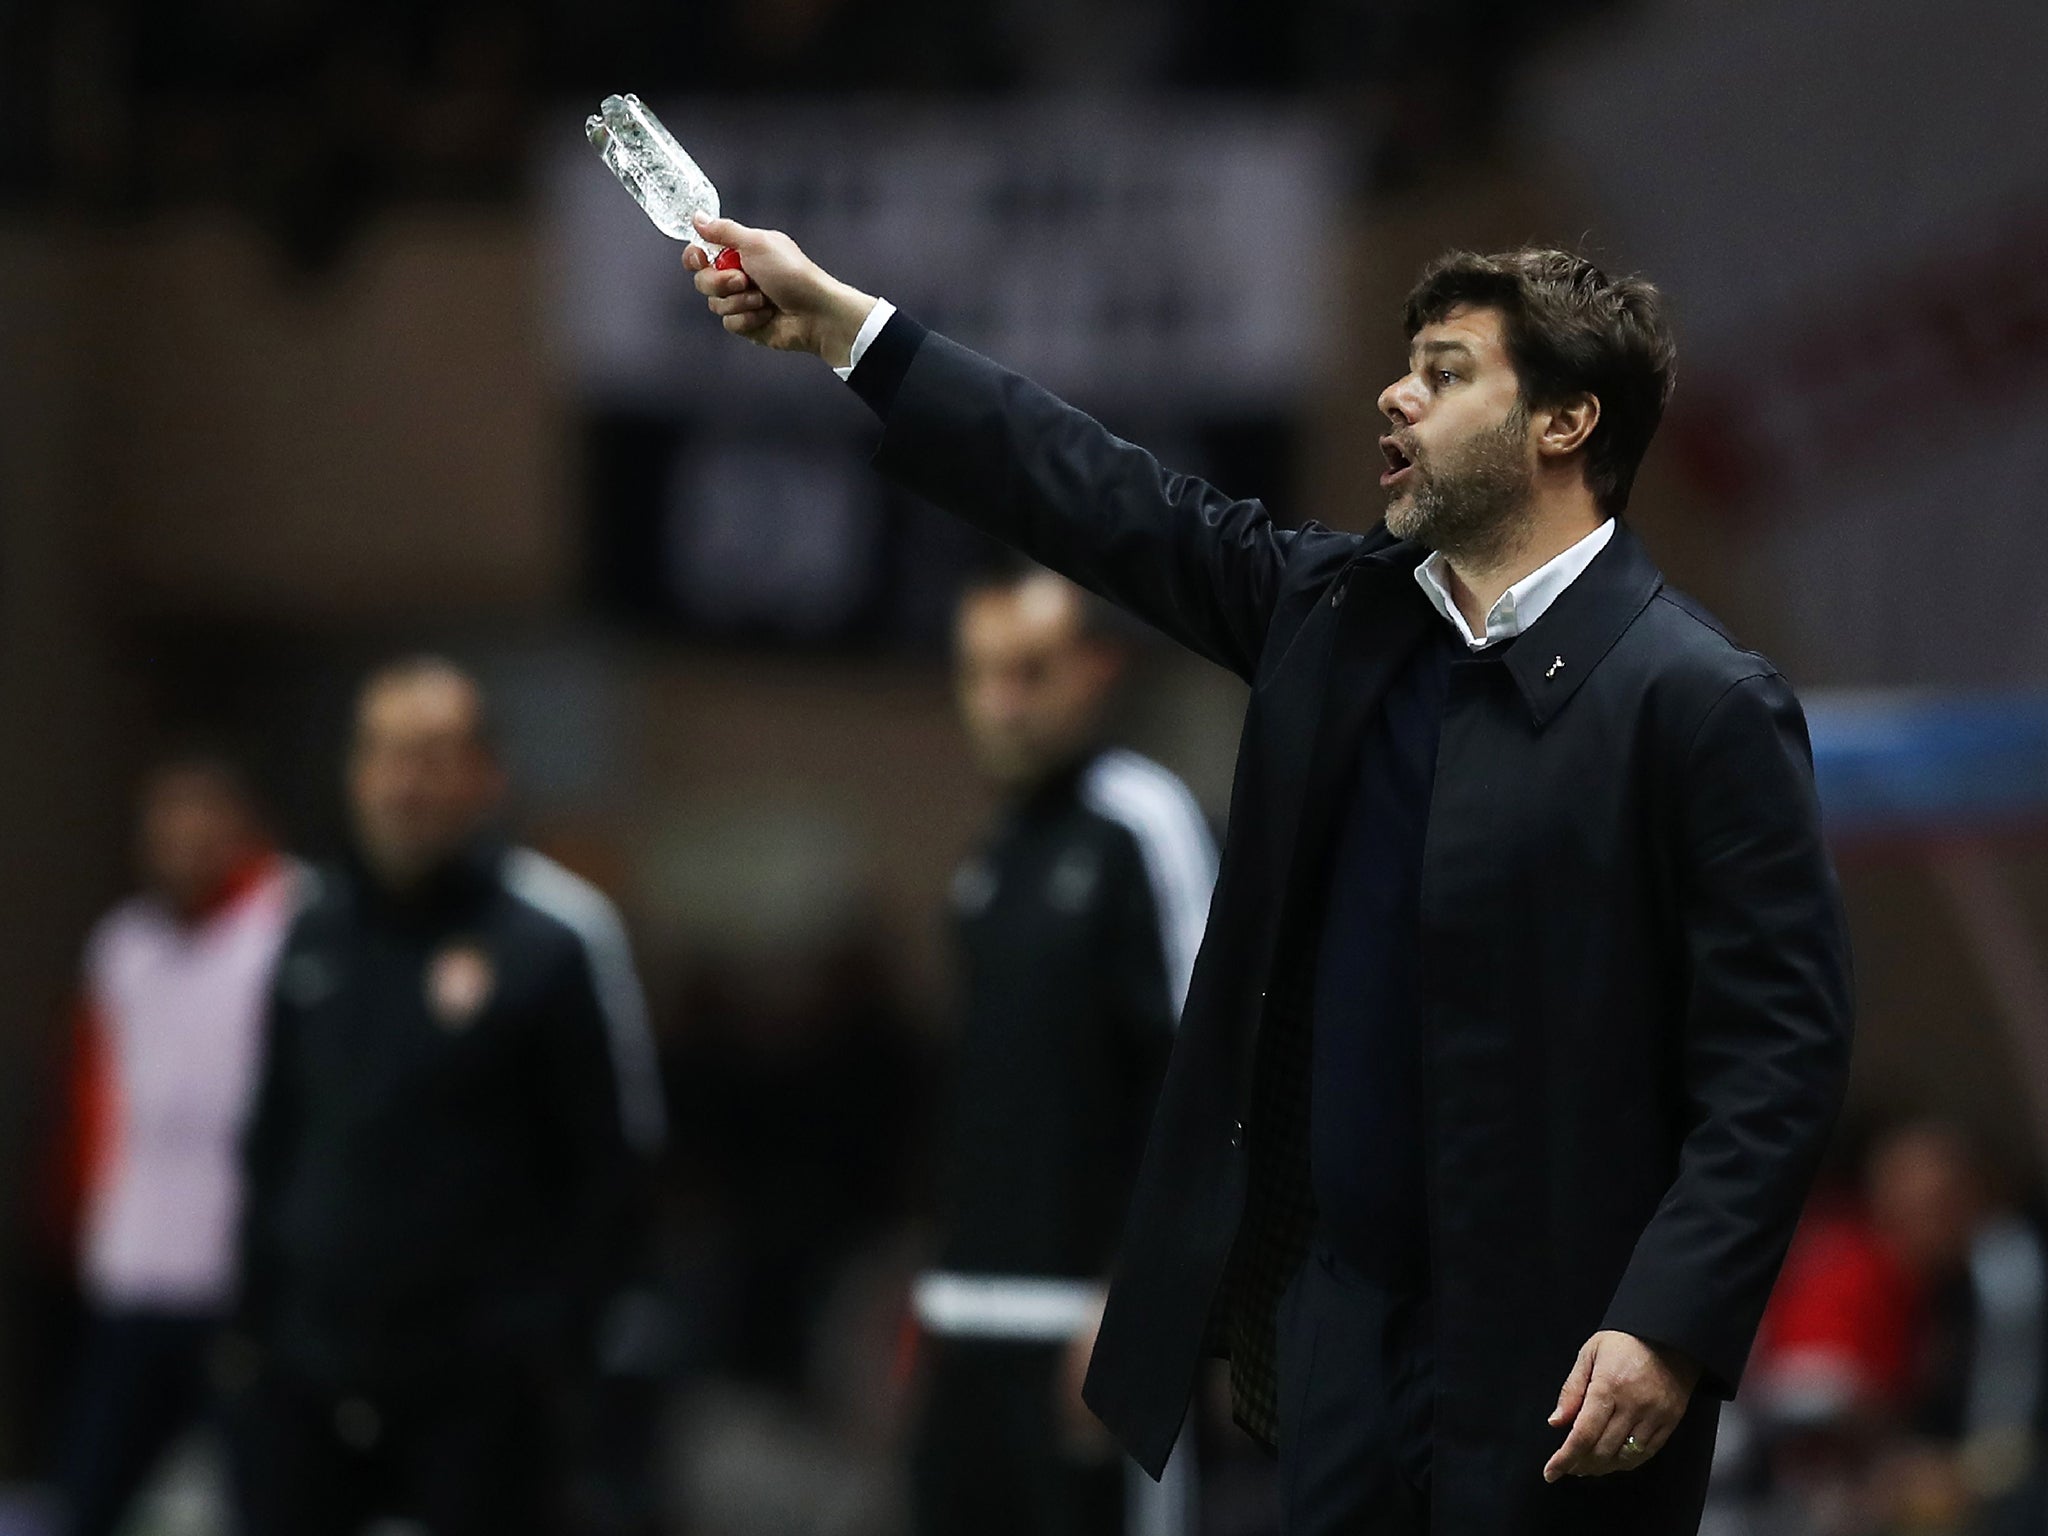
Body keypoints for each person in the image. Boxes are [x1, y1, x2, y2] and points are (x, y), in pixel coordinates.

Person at [679, 213, 1854, 1535]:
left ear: (1565, 426)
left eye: (1448, 370)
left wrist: (1670, 1325)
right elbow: (1099, 490)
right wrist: (848, 327)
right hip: (1343, 1344)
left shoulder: (1696, 701)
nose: (1394, 393)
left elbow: (1781, 1050)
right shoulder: (1341, 619)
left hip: (1574, 1358)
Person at [228, 656, 665, 1536]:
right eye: (385, 753)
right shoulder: (306, 926)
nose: (405, 782)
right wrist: (253, 1329)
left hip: (479, 1386)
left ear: (486, 776)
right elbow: (273, 1133)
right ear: (354, 772)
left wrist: (547, 1347)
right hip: (310, 1366)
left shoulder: (551, 939)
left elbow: (614, 1165)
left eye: (432, 755)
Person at [909, 565, 1217, 1536]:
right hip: (965, 1319)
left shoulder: (1142, 825)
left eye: (1030, 671)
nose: (1000, 703)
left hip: (1085, 1333)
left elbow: (1209, 1083)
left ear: (1096, 669)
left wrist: (1138, 1305)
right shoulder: (991, 855)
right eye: (979, 673)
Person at [56, 756, 298, 1536]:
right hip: (134, 1273)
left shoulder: (285, 929)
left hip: (241, 1282)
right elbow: (99, 1109)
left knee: (264, 1501)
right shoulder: (123, 947)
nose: (185, 841)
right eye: (168, 824)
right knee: (88, 1496)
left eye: (204, 821)